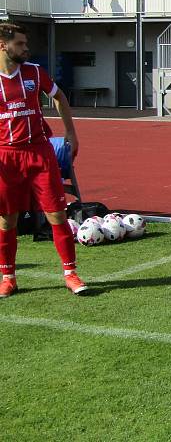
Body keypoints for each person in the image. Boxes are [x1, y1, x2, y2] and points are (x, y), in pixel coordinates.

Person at [0, 21, 88, 299]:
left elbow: (59, 97)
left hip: (40, 152)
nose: (26, 49)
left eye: (26, 44)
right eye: (20, 44)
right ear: (3, 45)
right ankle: (8, 277)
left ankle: (70, 274)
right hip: (6, 156)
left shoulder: (35, 73)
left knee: (57, 215)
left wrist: (70, 132)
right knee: (7, 221)